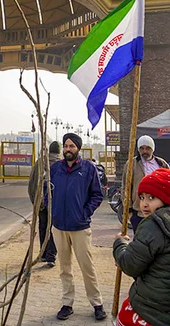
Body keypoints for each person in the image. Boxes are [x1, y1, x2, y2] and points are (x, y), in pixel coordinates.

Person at [113, 168, 170, 326]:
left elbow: (130, 265)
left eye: (152, 198)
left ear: (167, 198)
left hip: (150, 309)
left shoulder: (153, 224)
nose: (144, 204)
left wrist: (119, 244)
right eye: (142, 197)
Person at [49, 132, 106, 321]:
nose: (68, 149)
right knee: (65, 268)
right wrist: (52, 211)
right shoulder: (55, 168)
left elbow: (97, 195)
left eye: (72, 146)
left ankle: (97, 303)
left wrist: (85, 212)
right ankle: (67, 303)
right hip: (59, 227)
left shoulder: (88, 168)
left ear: (78, 149)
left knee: (86, 266)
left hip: (80, 227)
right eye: (65, 146)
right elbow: (46, 191)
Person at [122, 135, 168, 232]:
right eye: (142, 148)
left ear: (153, 149)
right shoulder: (131, 164)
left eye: (148, 148)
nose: (145, 151)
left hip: (159, 212)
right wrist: (129, 210)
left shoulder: (161, 164)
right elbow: (126, 187)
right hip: (139, 212)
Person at [28, 141, 60, 266]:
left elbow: (31, 183)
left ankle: (43, 253)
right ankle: (51, 256)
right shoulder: (61, 164)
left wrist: (35, 201)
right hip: (55, 204)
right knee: (53, 229)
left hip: (40, 203)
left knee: (42, 227)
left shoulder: (39, 163)